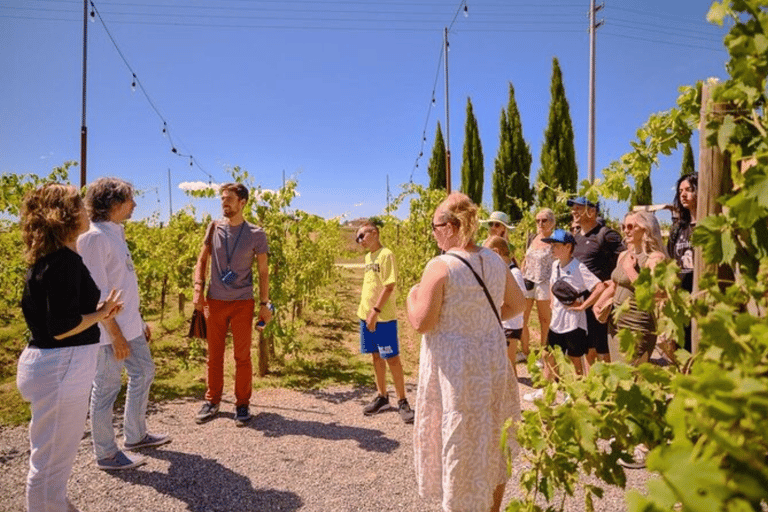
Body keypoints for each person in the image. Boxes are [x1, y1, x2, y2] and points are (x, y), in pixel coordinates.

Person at [406, 192, 524, 512]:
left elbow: (422, 322)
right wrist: (479, 320)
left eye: (434, 226)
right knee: (492, 442)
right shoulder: (495, 260)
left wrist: (411, 295)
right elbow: (516, 305)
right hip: (493, 363)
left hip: (457, 373)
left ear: (450, 226)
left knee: (460, 443)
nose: (433, 233)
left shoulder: (440, 266)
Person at [17, 184, 123, 512]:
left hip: (52, 364)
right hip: (61, 364)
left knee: (50, 460)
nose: (86, 210)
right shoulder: (63, 261)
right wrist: (101, 313)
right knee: (50, 467)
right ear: (64, 214)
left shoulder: (54, 258)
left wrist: (100, 310)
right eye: (79, 205)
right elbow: (62, 328)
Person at [77, 178, 170, 471]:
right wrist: (115, 334)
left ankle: (136, 434)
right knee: (105, 388)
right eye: (130, 200)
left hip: (130, 326)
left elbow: (124, 283)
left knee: (144, 372)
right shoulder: (94, 237)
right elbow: (97, 295)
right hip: (108, 333)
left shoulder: (116, 233)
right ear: (114, 204)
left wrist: (138, 322)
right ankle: (105, 453)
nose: (134, 205)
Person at [192, 183, 272, 426]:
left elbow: (263, 271)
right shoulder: (214, 228)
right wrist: (198, 289)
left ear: (242, 202)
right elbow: (201, 260)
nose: (224, 203)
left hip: (242, 303)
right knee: (213, 356)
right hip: (214, 302)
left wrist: (264, 303)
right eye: (222, 199)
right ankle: (212, 400)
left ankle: (242, 404)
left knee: (242, 356)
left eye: (229, 199)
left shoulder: (256, 234)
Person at [524, 229, 605, 401]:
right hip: (557, 321)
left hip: (573, 323)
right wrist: (553, 301)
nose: (552, 248)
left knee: (574, 359)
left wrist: (583, 305)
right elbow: (554, 284)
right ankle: (547, 393)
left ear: (568, 247)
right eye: (551, 245)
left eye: (556, 245)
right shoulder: (555, 265)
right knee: (549, 356)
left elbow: (599, 287)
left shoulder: (578, 267)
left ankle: (574, 394)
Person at [355, 220, 414, 424]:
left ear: (375, 233)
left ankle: (403, 400)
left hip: (383, 317)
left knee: (392, 358)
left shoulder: (386, 254)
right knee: (376, 356)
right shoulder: (368, 257)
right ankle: (382, 396)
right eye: (357, 238)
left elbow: (389, 286)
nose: (359, 240)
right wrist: (366, 313)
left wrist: (375, 311)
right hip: (366, 315)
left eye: (362, 235)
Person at [594, 211, 668, 365]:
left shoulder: (655, 258)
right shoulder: (623, 255)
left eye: (630, 226)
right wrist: (599, 303)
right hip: (615, 325)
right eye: (623, 226)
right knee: (618, 372)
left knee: (633, 376)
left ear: (645, 229)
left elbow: (657, 293)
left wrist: (630, 270)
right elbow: (615, 284)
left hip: (638, 327)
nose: (625, 230)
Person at [568, 197, 624, 366]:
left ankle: (609, 389)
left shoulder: (606, 235)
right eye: (573, 208)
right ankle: (592, 387)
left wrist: (611, 284)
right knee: (588, 349)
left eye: (579, 208)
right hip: (582, 302)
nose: (574, 211)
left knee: (603, 348)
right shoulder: (576, 238)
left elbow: (626, 257)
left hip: (600, 302)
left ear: (592, 212)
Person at [483, 235, 526, 375]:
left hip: (511, 326)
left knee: (509, 363)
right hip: (504, 324)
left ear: (496, 252)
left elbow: (520, 301)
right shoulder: (502, 270)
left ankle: (513, 394)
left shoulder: (514, 273)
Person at [667, 173, 698, 352]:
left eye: (689, 190)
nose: (683, 195)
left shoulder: (706, 225)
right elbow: (671, 261)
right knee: (681, 349)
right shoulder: (679, 228)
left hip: (701, 296)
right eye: (680, 191)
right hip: (680, 299)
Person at [520, 208, 556, 361]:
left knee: (544, 320)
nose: (540, 223)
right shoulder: (533, 238)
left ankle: (543, 354)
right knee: (522, 317)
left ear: (552, 222)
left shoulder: (555, 241)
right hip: (528, 281)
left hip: (544, 283)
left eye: (544, 220)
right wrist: (521, 274)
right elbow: (525, 258)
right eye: (538, 220)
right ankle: (526, 352)